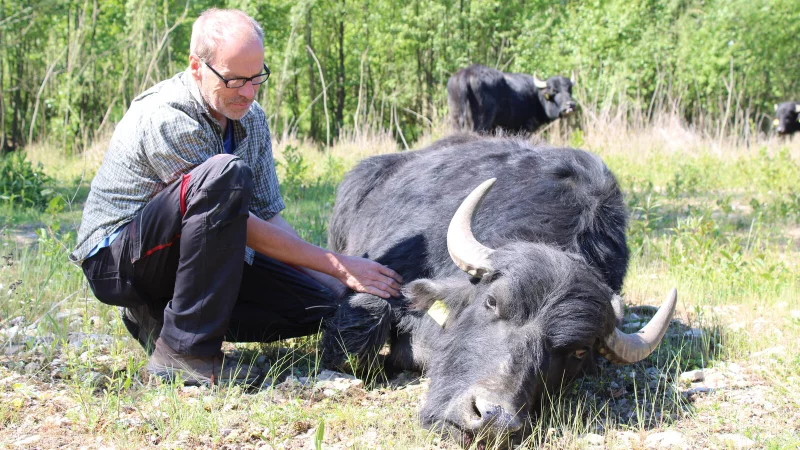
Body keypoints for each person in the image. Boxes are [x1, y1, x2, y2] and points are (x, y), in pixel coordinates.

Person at [69, 8, 402, 387]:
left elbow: (267, 217)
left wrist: (341, 283)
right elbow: (230, 214)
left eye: (257, 77)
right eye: (234, 80)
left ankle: (160, 319)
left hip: (195, 255)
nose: (248, 92)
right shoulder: (167, 115)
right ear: (197, 67)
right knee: (223, 174)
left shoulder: (251, 118)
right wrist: (338, 264)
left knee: (329, 305)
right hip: (120, 262)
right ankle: (184, 353)